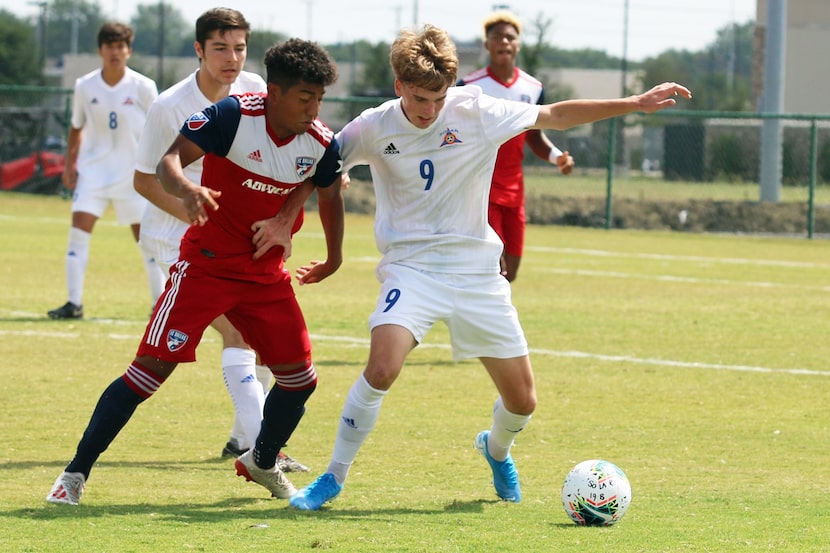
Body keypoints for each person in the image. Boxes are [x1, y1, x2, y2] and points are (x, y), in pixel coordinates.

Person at [289, 24, 690, 511]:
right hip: (411, 269)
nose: (429, 109)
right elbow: (322, 172)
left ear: (452, 89)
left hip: (477, 272)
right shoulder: (372, 126)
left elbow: (555, 115)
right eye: (419, 98)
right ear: (398, 86)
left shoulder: (477, 111)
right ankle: (333, 476)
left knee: (523, 401)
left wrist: (633, 103)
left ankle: (496, 450)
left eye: (439, 98)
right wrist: (288, 221)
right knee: (381, 367)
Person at [46, 38, 344, 506]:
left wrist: (326, 250)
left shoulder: (320, 140)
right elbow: (168, 162)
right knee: (148, 374)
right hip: (203, 270)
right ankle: (74, 474)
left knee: (300, 380)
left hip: (265, 278)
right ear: (276, 92)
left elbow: (326, 186)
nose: (315, 108)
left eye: (320, 98)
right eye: (306, 97)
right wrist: (186, 188)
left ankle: (260, 461)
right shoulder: (233, 116)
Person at [133, 7, 306, 473]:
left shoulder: (256, 89)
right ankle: (268, 453)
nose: (232, 58)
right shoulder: (170, 104)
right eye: (220, 48)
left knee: (266, 346)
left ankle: (242, 437)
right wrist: (194, 212)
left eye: (239, 48)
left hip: (235, 239)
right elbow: (145, 180)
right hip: (178, 238)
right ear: (198, 50)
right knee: (237, 335)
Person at [48, 22, 162, 320]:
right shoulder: (84, 85)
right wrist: (69, 165)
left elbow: (160, 126)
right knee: (78, 235)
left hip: (133, 176)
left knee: (147, 241)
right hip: (93, 173)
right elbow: (76, 127)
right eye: (110, 46)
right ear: (100, 50)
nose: (116, 52)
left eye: (121, 46)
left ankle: (160, 303)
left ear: (129, 50)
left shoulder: (143, 86)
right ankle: (74, 304)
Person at [459, 11, 575, 283]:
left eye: (510, 37)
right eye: (497, 36)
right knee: (492, 268)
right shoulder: (469, 86)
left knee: (511, 271)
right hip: (481, 189)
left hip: (515, 190)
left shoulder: (533, 88)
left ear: (518, 45)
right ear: (487, 44)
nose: (504, 42)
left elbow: (535, 137)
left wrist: (558, 157)